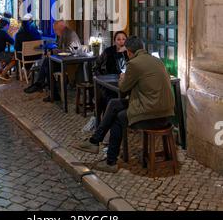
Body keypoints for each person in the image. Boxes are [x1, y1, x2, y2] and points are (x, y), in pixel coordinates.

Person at [73, 36, 175, 173]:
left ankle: (109, 160)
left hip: (152, 113)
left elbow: (123, 88)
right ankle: (95, 141)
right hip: (166, 111)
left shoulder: (134, 64)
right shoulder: (157, 61)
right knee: (115, 104)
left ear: (129, 51)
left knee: (119, 117)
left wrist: (122, 78)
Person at [24, 21, 82, 101]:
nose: (54, 32)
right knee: (47, 63)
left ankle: (43, 86)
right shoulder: (64, 34)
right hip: (63, 61)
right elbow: (60, 47)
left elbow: (71, 51)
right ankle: (45, 87)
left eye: (55, 30)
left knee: (48, 64)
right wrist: (54, 50)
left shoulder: (70, 34)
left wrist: (54, 51)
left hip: (70, 63)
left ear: (60, 28)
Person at [94, 31, 129, 113]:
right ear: (114, 41)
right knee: (109, 96)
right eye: (118, 39)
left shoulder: (128, 52)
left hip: (122, 80)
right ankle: (107, 116)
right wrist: (101, 78)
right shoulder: (108, 51)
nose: (121, 42)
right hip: (107, 81)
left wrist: (123, 53)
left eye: (124, 39)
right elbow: (96, 67)